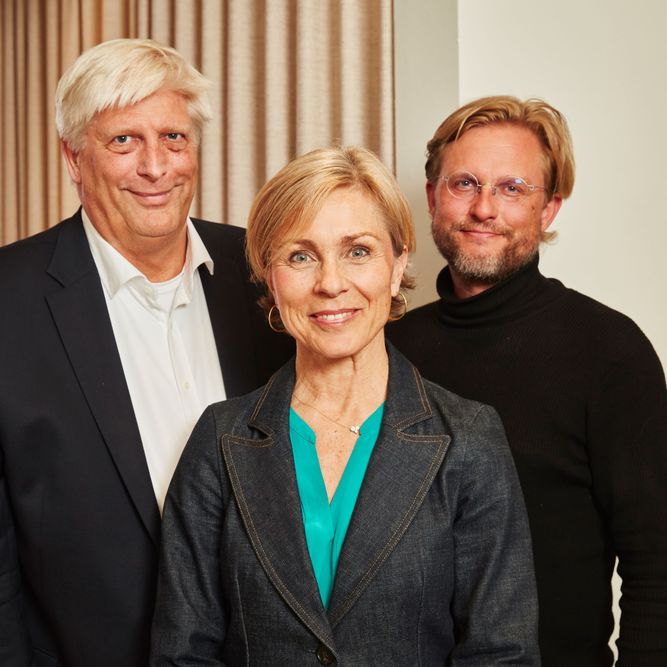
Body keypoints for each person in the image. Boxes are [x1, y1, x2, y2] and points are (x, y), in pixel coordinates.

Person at [150, 145, 540, 665]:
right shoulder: (220, 439)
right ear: (270, 275)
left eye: (358, 250)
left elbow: (502, 653)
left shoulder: (468, 438)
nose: (331, 283)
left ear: (398, 263)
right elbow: (183, 654)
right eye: (300, 256)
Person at [0, 39, 291, 667]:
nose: (156, 168)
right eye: (124, 142)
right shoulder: (7, 301)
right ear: (73, 159)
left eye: (174, 139)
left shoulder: (268, 274)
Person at [387, 95, 667, 666]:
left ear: (550, 209)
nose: (484, 208)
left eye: (512, 188)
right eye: (464, 183)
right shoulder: (388, 348)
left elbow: (657, 563)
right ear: (433, 196)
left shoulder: (609, 351)